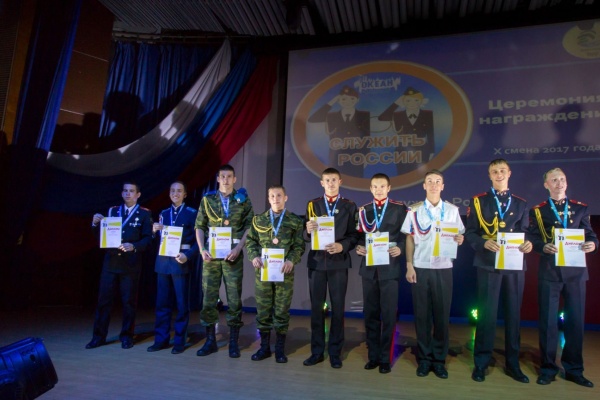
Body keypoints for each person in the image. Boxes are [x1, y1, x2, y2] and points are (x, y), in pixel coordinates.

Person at [464, 159, 533, 383]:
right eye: (494, 171)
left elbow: (526, 232)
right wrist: (483, 243)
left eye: (502, 170)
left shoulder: (521, 203)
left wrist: (528, 244)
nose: (499, 174)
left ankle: (513, 364)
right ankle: (481, 363)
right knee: (487, 314)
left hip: (513, 264)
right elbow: (470, 232)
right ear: (489, 175)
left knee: (513, 315)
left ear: (509, 173)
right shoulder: (478, 201)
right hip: (488, 262)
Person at [528, 168, 597, 388]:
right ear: (546, 185)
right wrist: (542, 246)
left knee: (575, 322)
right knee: (548, 322)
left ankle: (574, 370)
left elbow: (590, 234)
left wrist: (593, 244)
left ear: (566, 183)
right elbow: (532, 238)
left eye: (562, 179)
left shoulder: (580, 208)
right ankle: (548, 369)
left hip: (576, 272)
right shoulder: (538, 211)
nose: (559, 182)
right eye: (554, 180)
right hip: (550, 271)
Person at [400, 170, 464, 379]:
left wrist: (460, 239)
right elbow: (409, 239)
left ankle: (439, 360)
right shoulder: (414, 211)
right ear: (424, 186)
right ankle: (424, 359)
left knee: (442, 316)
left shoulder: (452, 211)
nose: (434, 184)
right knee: (422, 316)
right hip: (420, 267)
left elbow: (459, 235)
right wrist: (409, 265)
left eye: (438, 181)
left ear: (443, 186)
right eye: (430, 181)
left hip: (444, 268)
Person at [194, 164, 254, 358]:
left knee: (234, 298)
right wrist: (202, 249)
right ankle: (210, 340)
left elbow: (250, 227)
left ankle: (233, 342)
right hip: (211, 256)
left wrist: (238, 248)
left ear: (234, 179)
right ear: (218, 179)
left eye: (229, 176)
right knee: (208, 298)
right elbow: (199, 226)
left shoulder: (243, 200)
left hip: (232, 255)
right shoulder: (208, 199)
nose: (226, 180)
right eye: (223, 176)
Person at [303, 167, 360, 368]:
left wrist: (342, 246)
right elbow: (305, 235)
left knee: (337, 309)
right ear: (322, 183)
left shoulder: (349, 206)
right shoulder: (313, 204)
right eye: (327, 180)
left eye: (334, 180)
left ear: (340, 182)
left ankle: (335, 352)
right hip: (317, 263)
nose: (331, 183)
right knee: (316, 309)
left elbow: (354, 235)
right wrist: (307, 230)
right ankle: (317, 352)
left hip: (338, 262)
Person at [86, 181, 153, 350]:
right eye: (125, 191)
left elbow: (148, 239)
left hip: (130, 264)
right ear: (122, 193)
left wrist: (134, 246)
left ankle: (127, 336)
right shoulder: (113, 211)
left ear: (138, 195)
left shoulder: (144, 214)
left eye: (131, 191)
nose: (128, 193)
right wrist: (95, 224)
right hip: (111, 262)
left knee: (129, 302)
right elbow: (103, 237)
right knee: (103, 301)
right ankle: (98, 337)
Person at [245, 185, 306, 363]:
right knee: (263, 310)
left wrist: (291, 260)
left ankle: (279, 349)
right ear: (268, 198)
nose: (275, 198)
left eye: (279, 195)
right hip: (263, 272)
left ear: (285, 198)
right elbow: (251, 242)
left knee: (282, 310)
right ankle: (264, 348)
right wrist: (254, 256)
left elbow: (299, 245)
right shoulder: (258, 220)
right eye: (272, 196)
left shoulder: (295, 221)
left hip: (284, 273)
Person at [355, 173, 408, 374]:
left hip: (389, 268)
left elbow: (406, 236)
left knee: (388, 315)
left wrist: (400, 248)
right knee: (370, 314)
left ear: (389, 188)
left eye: (382, 186)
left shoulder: (399, 208)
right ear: (370, 189)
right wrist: (359, 247)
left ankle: (386, 358)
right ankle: (373, 356)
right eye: (375, 187)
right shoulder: (364, 211)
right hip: (369, 269)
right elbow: (359, 237)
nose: (378, 190)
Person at [147, 182, 198, 354]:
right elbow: (158, 240)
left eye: (179, 191)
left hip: (180, 261)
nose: (175, 193)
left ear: (185, 194)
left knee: (182, 305)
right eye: (173, 191)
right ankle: (161, 340)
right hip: (163, 262)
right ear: (169, 193)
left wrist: (188, 255)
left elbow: (199, 241)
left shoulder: (192, 213)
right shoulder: (163, 213)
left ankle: (179, 341)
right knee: (162, 304)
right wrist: (154, 232)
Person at [308, 85, 371, 178]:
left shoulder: (364, 115)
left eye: (352, 99)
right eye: (344, 99)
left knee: (355, 179)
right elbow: (313, 119)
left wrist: (365, 156)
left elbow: (367, 137)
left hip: (357, 157)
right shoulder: (332, 116)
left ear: (357, 100)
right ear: (339, 100)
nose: (348, 102)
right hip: (337, 158)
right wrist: (333, 101)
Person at [378, 87, 435, 175]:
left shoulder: (427, 114)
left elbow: (430, 134)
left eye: (416, 100)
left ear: (421, 101)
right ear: (403, 102)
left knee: (421, 176)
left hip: (422, 150)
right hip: (402, 150)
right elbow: (382, 118)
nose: (412, 103)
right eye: (408, 100)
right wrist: (396, 103)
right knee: (403, 174)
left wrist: (431, 151)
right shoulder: (398, 115)